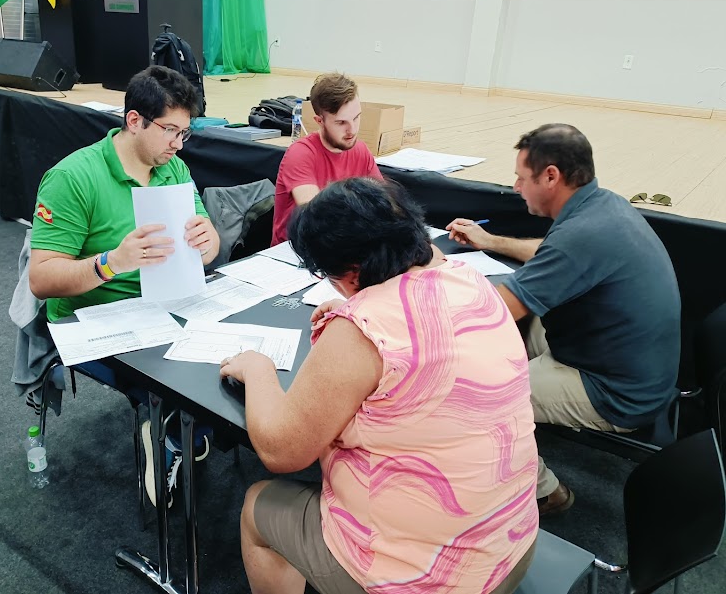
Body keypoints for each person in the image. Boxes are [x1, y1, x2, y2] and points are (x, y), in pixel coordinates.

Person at [222, 178, 538, 594]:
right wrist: (359, 307)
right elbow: (414, 321)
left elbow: (282, 450)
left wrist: (258, 368)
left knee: (256, 505)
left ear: (350, 273)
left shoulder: (360, 331)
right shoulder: (472, 281)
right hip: (510, 544)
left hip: (425, 580)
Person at [446, 123, 681, 516]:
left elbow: (498, 309)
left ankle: (544, 491)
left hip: (615, 391)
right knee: (510, 341)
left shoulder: (584, 234)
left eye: (522, 178)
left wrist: (419, 289)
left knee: (471, 397)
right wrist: (490, 241)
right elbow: (550, 252)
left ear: (551, 176)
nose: (516, 187)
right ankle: (515, 430)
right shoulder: (605, 206)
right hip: (617, 357)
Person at [29, 65, 220, 503]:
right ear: (134, 121)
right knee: (183, 381)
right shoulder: (74, 178)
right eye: (170, 130)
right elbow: (41, 279)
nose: (177, 143)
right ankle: (172, 432)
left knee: (231, 362)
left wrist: (209, 243)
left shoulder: (172, 168)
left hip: (165, 303)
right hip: (95, 317)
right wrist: (111, 263)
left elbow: (205, 243)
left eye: (184, 133)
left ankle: (177, 430)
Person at [271, 73, 384, 246]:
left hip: (344, 246)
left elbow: (384, 203)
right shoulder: (300, 153)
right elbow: (316, 217)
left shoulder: (360, 150)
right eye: (341, 123)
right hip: (297, 253)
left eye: (356, 118)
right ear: (319, 121)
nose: (352, 130)